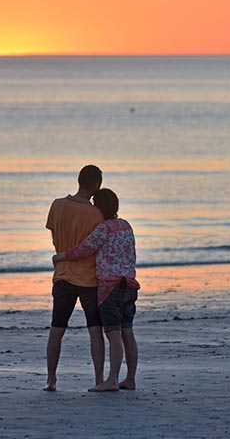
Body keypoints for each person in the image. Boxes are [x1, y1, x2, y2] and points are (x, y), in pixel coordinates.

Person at [52, 188, 139, 392]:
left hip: (111, 286)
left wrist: (60, 256)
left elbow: (84, 249)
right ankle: (130, 378)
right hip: (130, 284)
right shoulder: (126, 225)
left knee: (113, 334)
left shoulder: (103, 228)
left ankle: (112, 380)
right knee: (128, 332)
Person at [44, 165, 105, 392]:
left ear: (78, 180)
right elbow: (95, 246)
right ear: (97, 185)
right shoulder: (97, 214)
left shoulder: (58, 205)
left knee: (57, 328)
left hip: (62, 274)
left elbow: (54, 236)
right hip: (89, 278)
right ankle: (99, 379)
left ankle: (51, 379)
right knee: (95, 329)